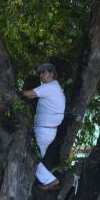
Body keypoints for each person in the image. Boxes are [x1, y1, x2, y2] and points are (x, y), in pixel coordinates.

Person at [21, 62, 64, 190]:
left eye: (44, 72)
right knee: (34, 160)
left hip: (44, 131)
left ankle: (50, 180)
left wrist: (11, 92)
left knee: (31, 156)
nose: (41, 75)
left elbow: (29, 94)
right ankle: (33, 181)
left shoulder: (50, 87)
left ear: (51, 74)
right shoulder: (54, 87)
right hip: (47, 131)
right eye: (40, 73)